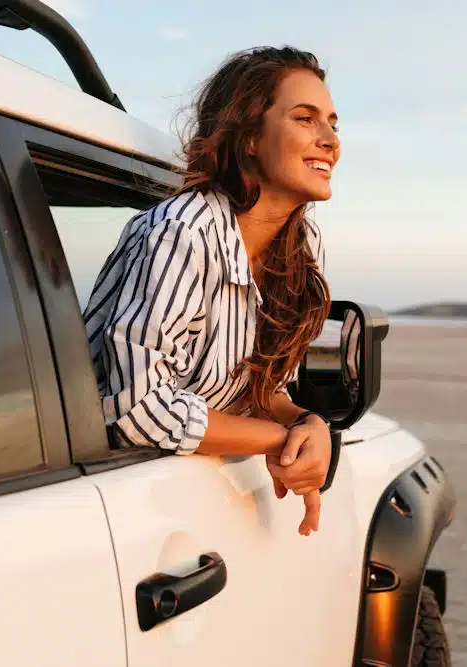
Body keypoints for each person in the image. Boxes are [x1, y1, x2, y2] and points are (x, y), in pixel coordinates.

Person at [82, 46, 340, 536]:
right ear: (248, 136)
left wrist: (310, 425)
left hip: (174, 508)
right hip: (109, 510)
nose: (329, 140)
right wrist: (278, 437)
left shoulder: (295, 252)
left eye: (332, 123)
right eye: (306, 119)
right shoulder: (183, 232)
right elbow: (137, 409)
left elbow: (260, 388)